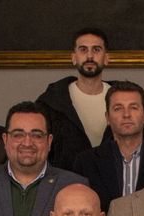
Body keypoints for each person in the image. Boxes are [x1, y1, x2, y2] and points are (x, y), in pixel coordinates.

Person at [37, 27, 112, 168]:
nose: (90, 56)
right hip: (65, 185)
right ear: (73, 58)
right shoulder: (52, 102)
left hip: (113, 186)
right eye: (83, 49)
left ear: (106, 58)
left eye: (96, 50)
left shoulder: (122, 100)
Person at [73, 81, 144, 211]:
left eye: (133, 107)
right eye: (118, 108)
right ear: (107, 118)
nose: (126, 115)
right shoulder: (86, 162)